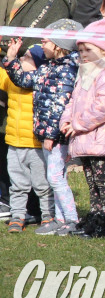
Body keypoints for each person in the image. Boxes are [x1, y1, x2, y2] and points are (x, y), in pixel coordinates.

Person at [3, 20, 80, 235]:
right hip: (47, 136)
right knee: (55, 177)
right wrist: (10, 58)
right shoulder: (48, 68)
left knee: (55, 178)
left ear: (58, 44)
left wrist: (51, 135)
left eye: (45, 40)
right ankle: (60, 218)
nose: (41, 43)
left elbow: (58, 107)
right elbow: (23, 79)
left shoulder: (67, 70)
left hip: (55, 137)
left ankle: (71, 220)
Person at [61, 19, 105, 239]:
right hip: (87, 139)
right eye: (80, 49)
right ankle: (94, 215)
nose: (83, 53)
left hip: (101, 139)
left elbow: (103, 108)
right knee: (91, 181)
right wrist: (66, 121)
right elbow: (72, 102)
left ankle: (104, 220)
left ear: (102, 49)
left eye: (88, 49)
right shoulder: (84, 74)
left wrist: (77, 124)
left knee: (102, 180)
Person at [2, 38, 51, 234]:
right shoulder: (11, 80)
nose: (22, 58)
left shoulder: (43, 83)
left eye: (27, 57)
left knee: (43, 185)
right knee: (18, 185)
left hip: (36, 145)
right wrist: (9, 55)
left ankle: (48, 215)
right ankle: (17, 216)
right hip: (14, 144)